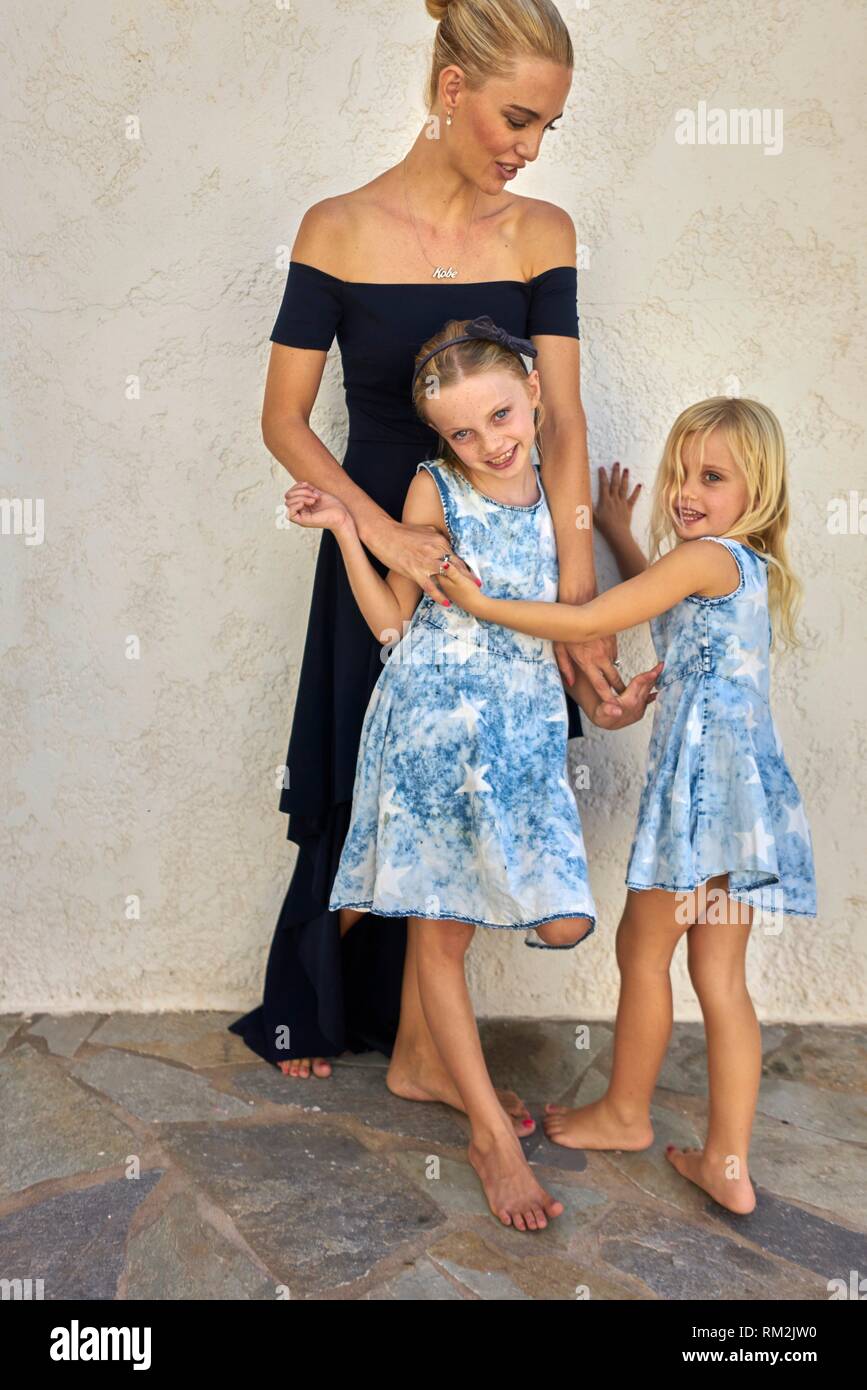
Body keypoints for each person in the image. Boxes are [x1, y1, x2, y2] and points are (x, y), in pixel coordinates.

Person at [229, 0, 625, 1113]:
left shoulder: (542, 232)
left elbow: (566, 425)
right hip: (382, 543)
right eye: (515, 117)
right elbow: (286, 419)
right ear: (451, 89)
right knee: (367, 787)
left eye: (548, 127)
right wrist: (387, 529)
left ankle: (417, 1047)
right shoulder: (336, 227)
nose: (530, 148)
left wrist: (580, 603)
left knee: (467, 793)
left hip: (510, 572)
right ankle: (310, 998)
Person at [284, 316, 660, 1230]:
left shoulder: (556, 486)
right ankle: (490, 1135)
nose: (490, 442)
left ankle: (418, 1061)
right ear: (440, 440)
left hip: (522, 731)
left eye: (500, 415)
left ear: (533, 392)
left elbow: (571, 621)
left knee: (564, 916)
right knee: (442, 929)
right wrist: (344, 528)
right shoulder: (433, 488)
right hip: (433, 723)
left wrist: (608, 702)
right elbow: (391, 626)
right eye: (463, 431)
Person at [437, 396, 817, 1215]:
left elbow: (600, 615)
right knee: (719, 976)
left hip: (700, 796)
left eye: (709, 477)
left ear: (761, 491)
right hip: (741, 805)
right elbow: (657, 587)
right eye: (680, 472)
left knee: (643, 952)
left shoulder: (707, 557)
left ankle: (622, 1113)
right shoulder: (739, 565)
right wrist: (615, 528)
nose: (684, 489)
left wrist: (481, 605)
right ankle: (726, 1160)